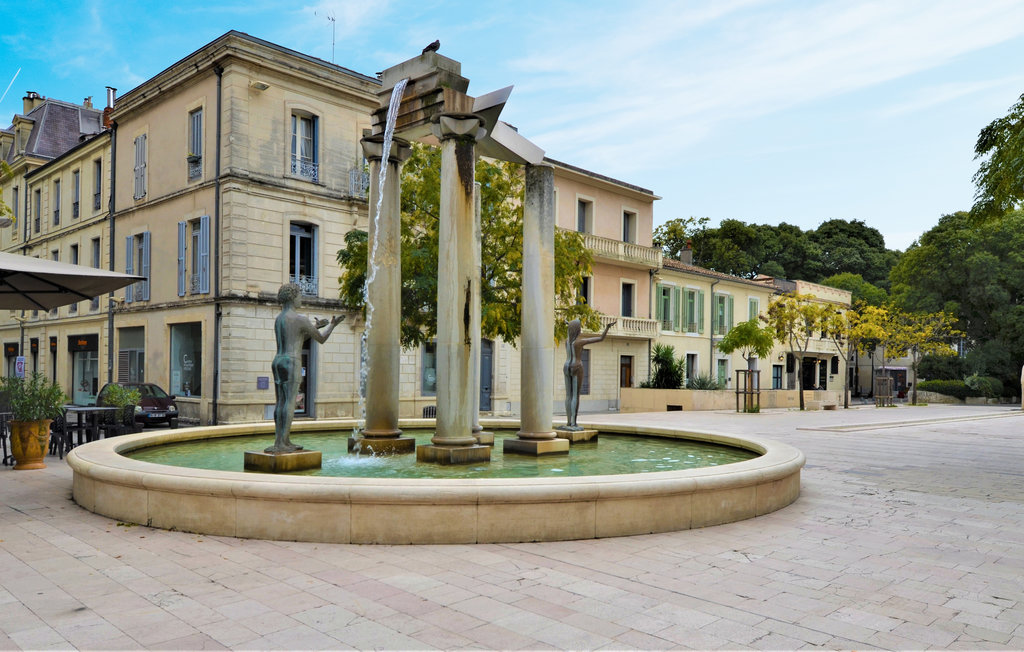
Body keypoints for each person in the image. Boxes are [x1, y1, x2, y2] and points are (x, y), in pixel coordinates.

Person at [267, 283, 343, 453]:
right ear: (293, 297)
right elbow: (321, 339)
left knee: (280, 402)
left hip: (278, 360)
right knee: (290, 402)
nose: (301, 298)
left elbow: (295, 336)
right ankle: (284, 442)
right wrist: (332, 325)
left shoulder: (279, 318)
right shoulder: (300, 318)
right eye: (299, 295)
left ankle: (279, 441)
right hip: (292, 361)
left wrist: (315, 326)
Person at [562, 318, 614, 430]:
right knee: (575, 396)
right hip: (577, 367)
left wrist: (568, 324)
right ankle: (573, 423)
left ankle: (568, 422)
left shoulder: (567, 341)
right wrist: (607, 328)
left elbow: (569, 332)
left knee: (568, 396)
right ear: (577, 330)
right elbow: (601, 338)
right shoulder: (580, 342)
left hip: (566, 366)